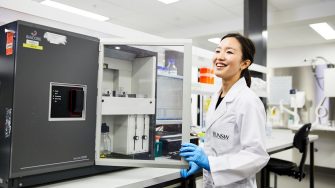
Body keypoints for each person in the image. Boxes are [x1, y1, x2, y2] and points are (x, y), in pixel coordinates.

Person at [179, 33, 270, 188]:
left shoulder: (248, 101)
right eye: (218, 50)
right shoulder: (217, 96)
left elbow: (256, 156)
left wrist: (210, 163)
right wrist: (202, 162)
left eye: (229, 52)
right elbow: (218, 144)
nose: (220, 57)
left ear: (244, 63)